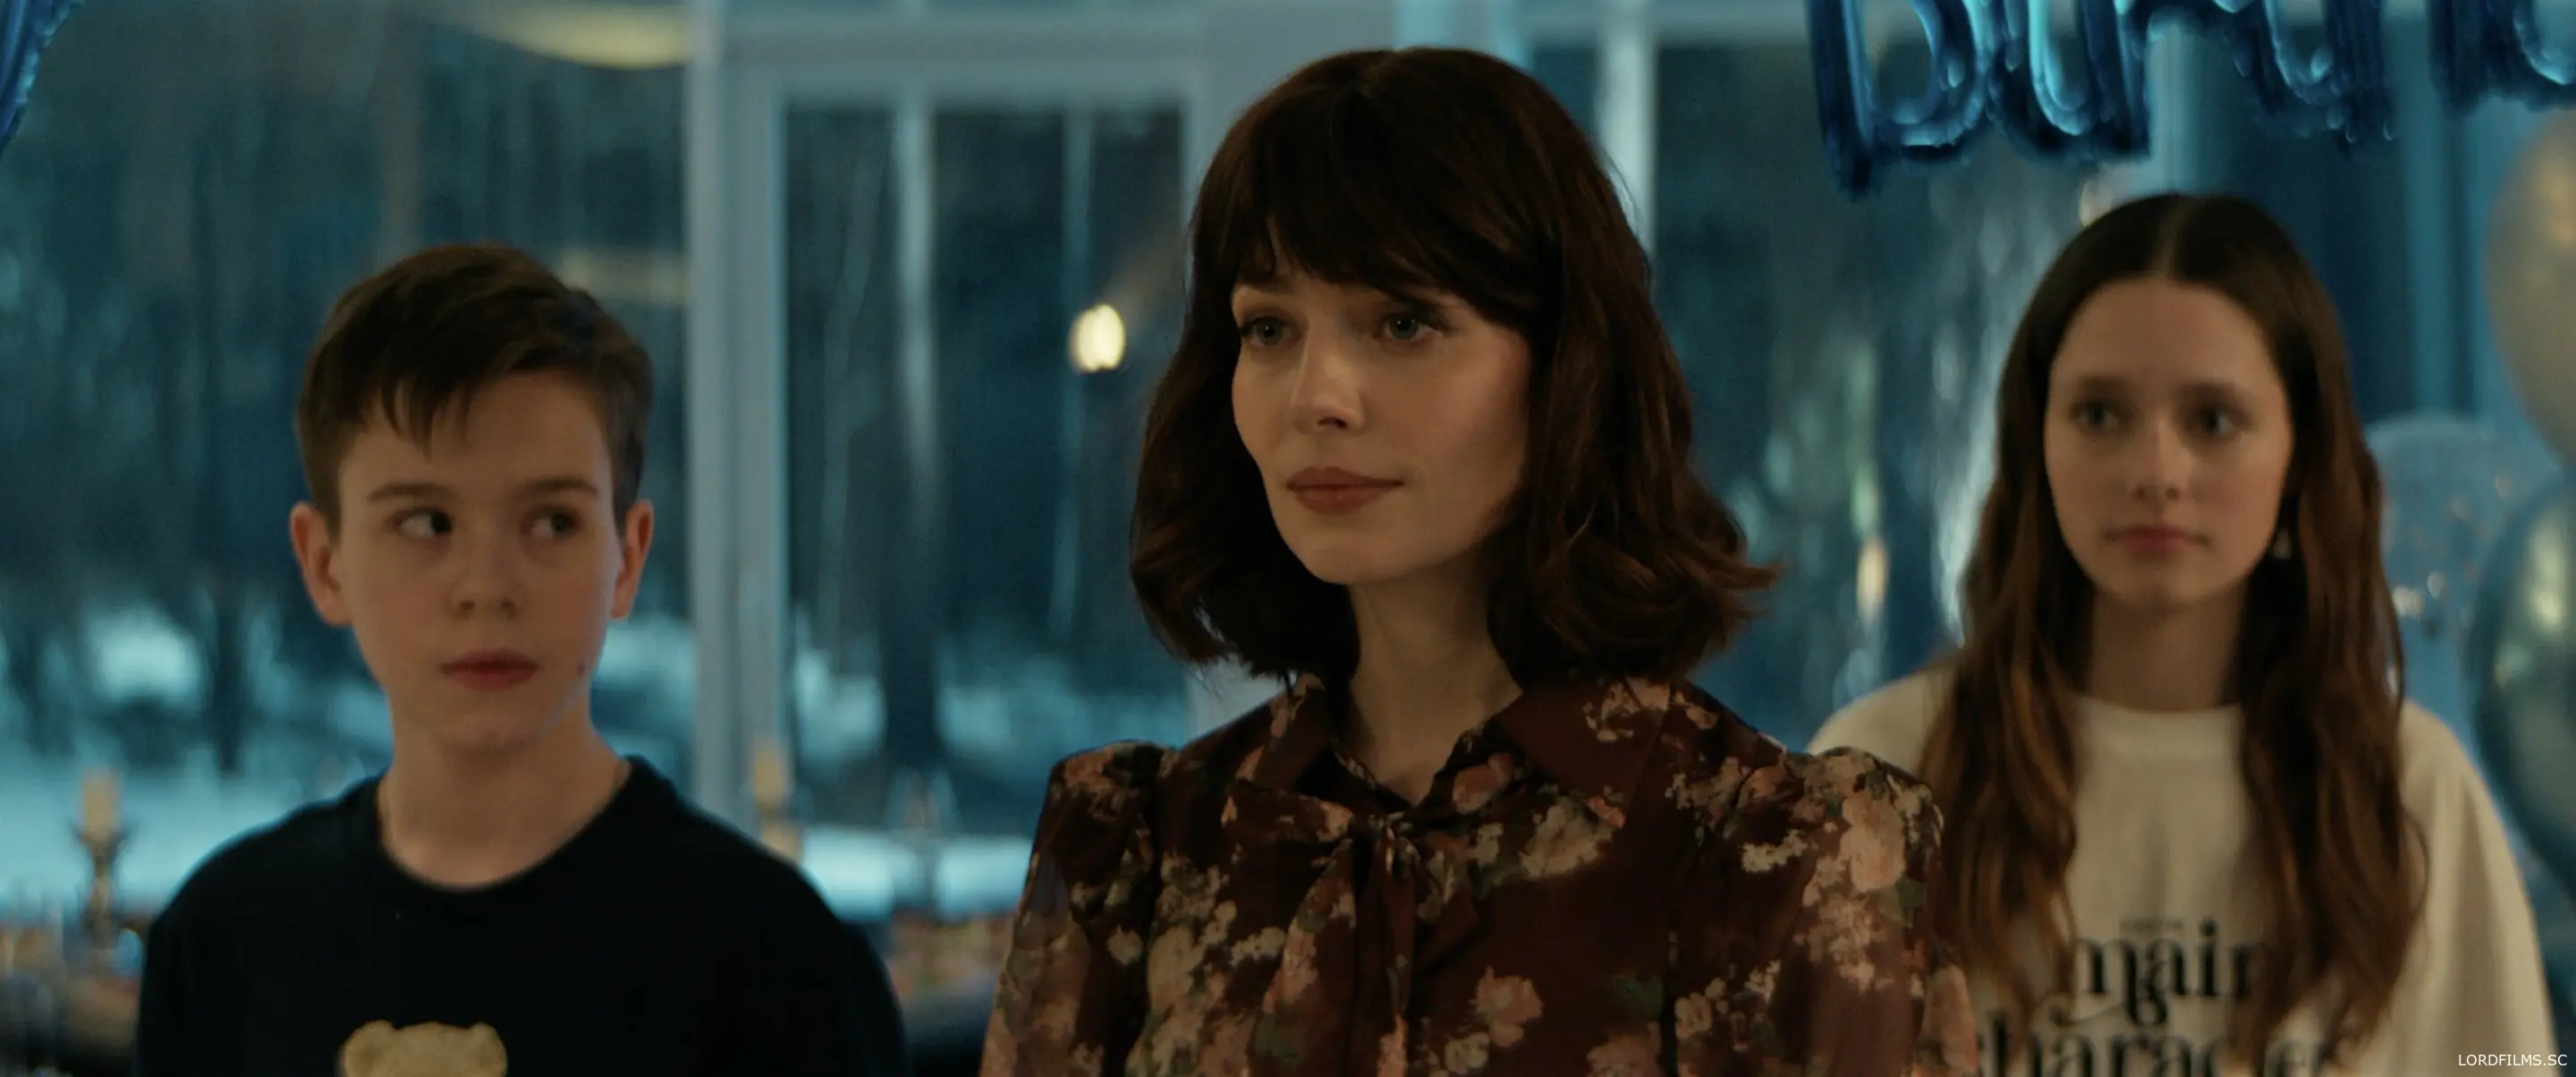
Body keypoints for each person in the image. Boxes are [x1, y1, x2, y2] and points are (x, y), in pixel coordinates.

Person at [980, 47, 1977, 1076]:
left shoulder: (1784, 860)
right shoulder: (1141, 850)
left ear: (1566, 367)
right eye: (1268, 328)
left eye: (1402, 322)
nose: (1317, 397)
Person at [1814, 193, 2558, 1073]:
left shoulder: (2409, 793)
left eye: (2212, 420)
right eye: (2100, 414)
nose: (2156, 472)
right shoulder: (1885, 774)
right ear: (2034, 441)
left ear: (2299, 457)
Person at [133, 245, 912, 1076]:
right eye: (426, 523)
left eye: (551, 523)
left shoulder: (777, 965)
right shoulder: (225, 948)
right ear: (326, 564)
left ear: (628, 557)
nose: (487, 587)